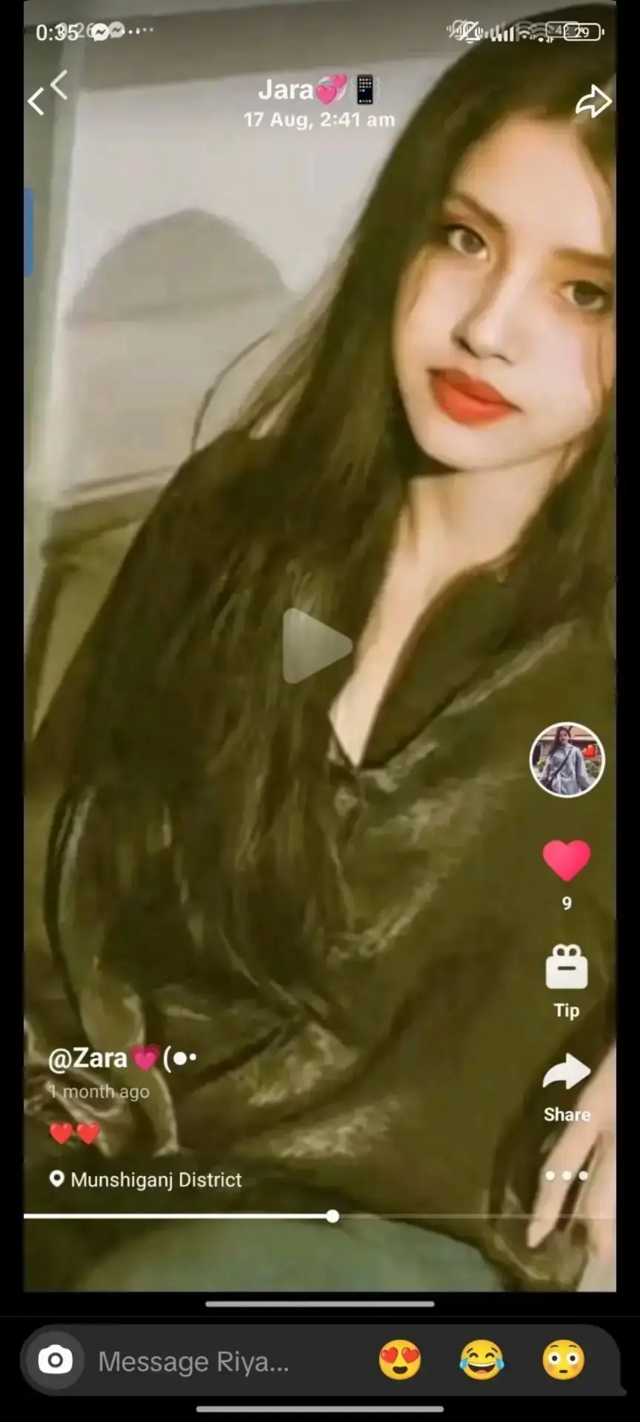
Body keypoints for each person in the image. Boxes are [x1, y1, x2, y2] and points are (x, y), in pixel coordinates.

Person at [25, 5, 616, 1293]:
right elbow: (54, 871)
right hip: (98, 1171)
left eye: (586, 292)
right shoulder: (229, 519)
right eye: (463, 238)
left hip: (397, 1239)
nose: (487, 326)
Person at [539, 725, 592, 795]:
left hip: (570, 788)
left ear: (569, 737)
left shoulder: (575, 751)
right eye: (560, 735)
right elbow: (547, 769)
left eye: (565, 735)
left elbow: (581, 773)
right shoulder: (553, 752)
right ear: (558, 738)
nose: (563, 737)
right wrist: (542, 783)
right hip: (555, 787)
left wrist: (586, 788)